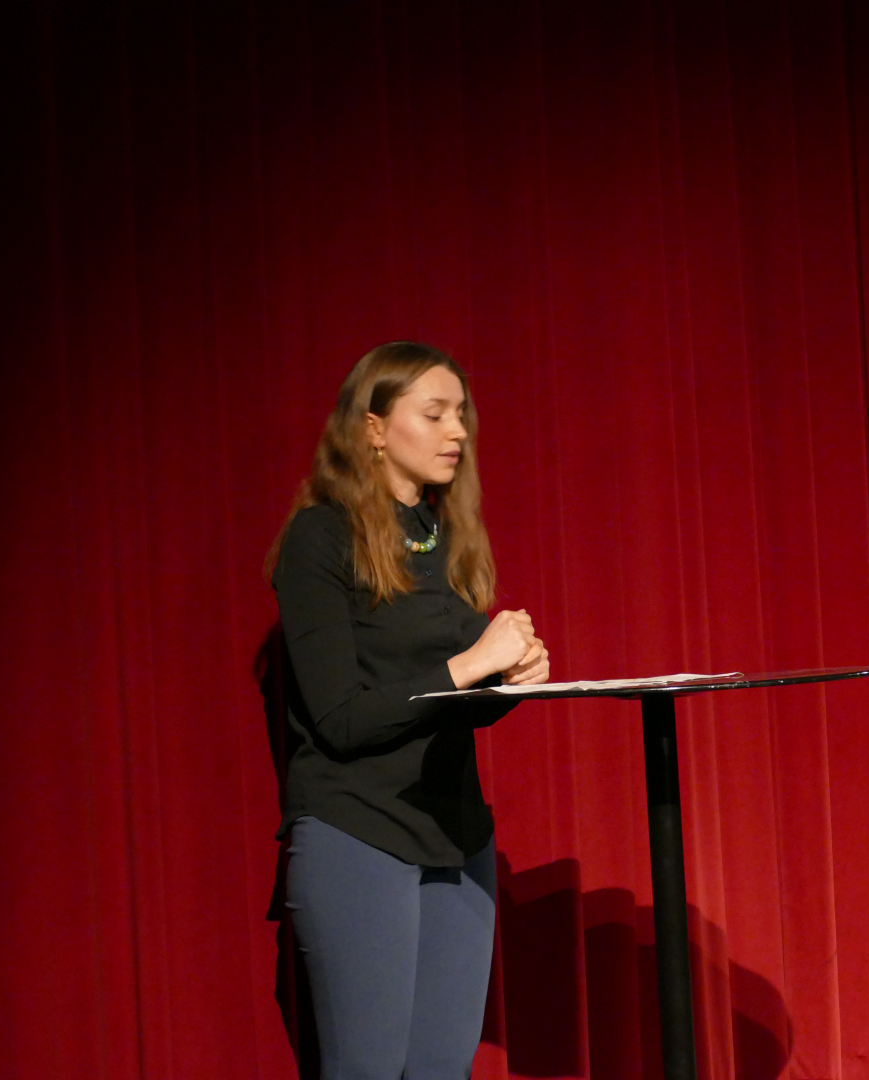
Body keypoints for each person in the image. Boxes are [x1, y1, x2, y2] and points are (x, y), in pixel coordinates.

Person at [267, 341, 550, 1078]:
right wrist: (470, 666)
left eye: (461, 414)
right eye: (434, 413)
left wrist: (511, 681)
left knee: (441, 1069)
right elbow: (341, 719)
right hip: (358, 831)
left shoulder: (438, 536)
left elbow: (450, 704)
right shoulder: (320, 538)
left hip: (456, 834)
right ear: (373, 427)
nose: (457, 431)